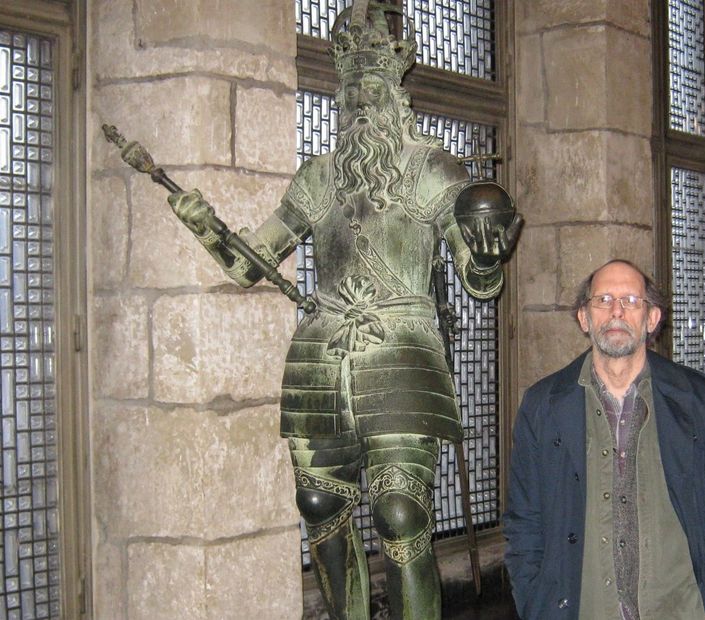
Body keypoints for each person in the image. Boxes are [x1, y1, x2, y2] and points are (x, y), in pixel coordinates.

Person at [167, 5, 521, 619]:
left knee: (400, 510)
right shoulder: (318, 178)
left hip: (402, 353)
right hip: (320, 358)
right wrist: (210, 230)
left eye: (372, 86)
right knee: (319, 506)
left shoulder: (431, 168)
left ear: (395, 94)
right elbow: (253, 261)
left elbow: (475, 278)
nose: (360, 99)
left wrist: (487, 260)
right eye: (351, 88)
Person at [504, 259, 705, 619]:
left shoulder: (701, 402)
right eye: (603, 299)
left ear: (652, 319)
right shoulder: (543, 406)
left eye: (631, 300)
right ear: (584, 318)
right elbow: (525, 522)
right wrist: (536, 604)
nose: (616, 311)